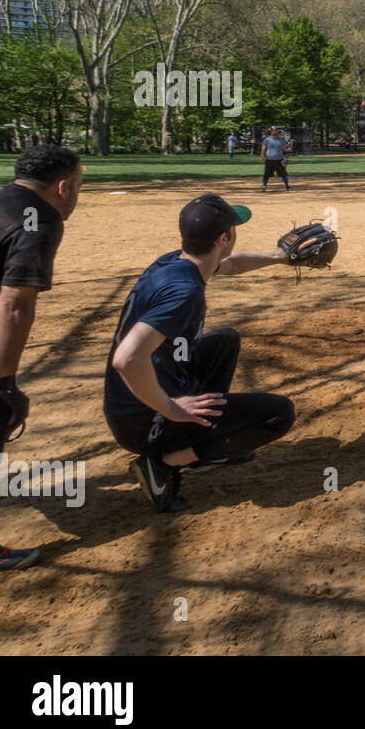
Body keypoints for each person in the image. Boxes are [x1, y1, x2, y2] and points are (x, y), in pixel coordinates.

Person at [104, 194, 297, 513]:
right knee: (278, 414)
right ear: (223, 239)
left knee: (223, 341)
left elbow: (232, 263)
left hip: (139, 397)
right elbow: (127, 358)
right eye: (233, 229)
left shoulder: (175, 262)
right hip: (143, 420)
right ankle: (164, 463)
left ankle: (206, 439)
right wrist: (169, 407)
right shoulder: (184, 291)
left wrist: (280, 257)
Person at [0, 145, 82, 572]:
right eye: (79, 186)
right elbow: (15, 304)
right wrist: (5, 385)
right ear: (63, 187)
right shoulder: (40, 218)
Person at [261, 126, 290, 192]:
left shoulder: (281, 139)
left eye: (276, 130)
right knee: (266, 174)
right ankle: (264, 186)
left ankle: (287, 186)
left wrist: (286, 158)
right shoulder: (267, 139)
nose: (275, 131)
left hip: (280, 160)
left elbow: (284, 149)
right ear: (271, 131)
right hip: (269, 160)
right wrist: (262, 158)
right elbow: (263, 149)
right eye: (274, 130)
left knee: (283, 174)